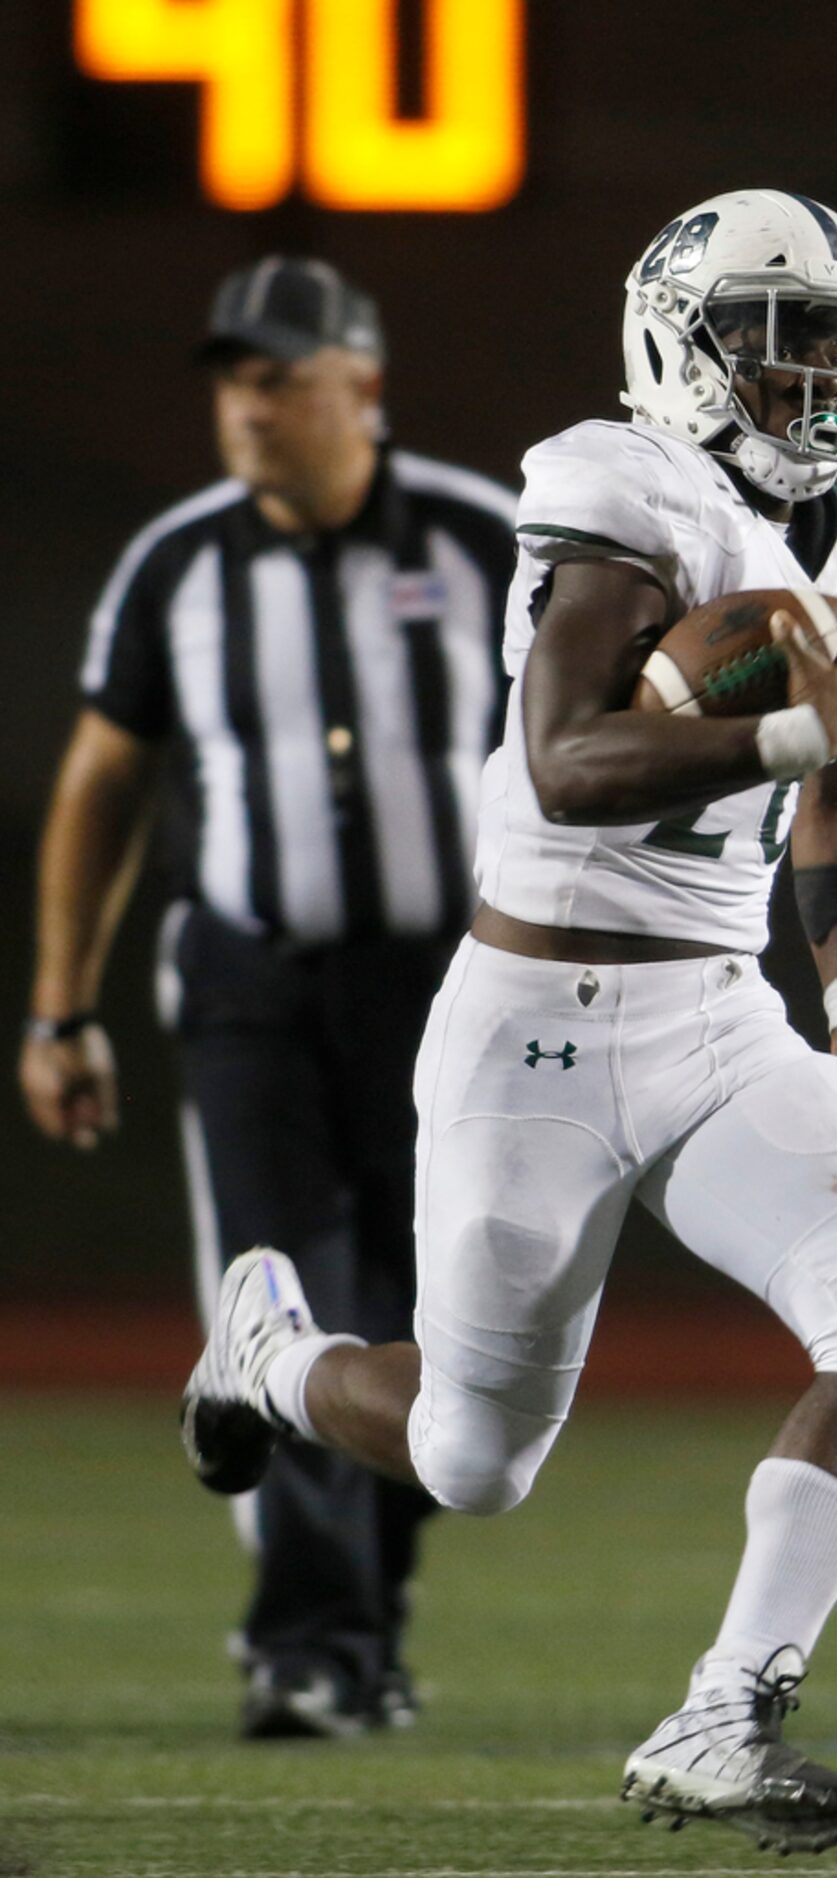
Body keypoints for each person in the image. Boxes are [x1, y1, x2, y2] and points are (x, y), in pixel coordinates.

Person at [179, 191, 837, 1851]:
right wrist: (771, 742)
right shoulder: (621, 484)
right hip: (531, 1015)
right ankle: (270, 1347)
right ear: (681, 343)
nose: (818, 371)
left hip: (718, 1016)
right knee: (473, 1458)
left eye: (836, 337)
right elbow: (566, 763)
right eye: (780, 336)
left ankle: (720, 1712)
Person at [19, 255, 516, 1740]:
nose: (250, 406)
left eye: (281, 375)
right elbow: (103, 781)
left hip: (454, 993)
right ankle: (307, 1643)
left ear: (361, 382)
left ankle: (366, 1623)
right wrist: (60, 1004)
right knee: (283, 1299)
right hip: (253, 988)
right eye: (235, 379)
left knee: (446, 1321)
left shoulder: (488, 539)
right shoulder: (179, 562)